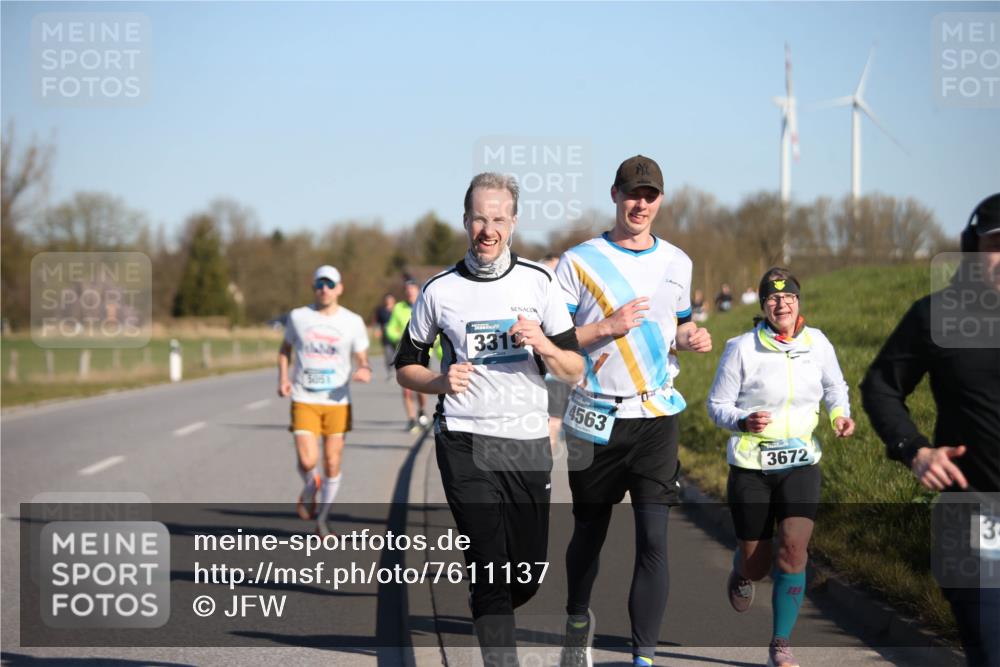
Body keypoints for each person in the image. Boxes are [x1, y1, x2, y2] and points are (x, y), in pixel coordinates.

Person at [395, 172, 583, 667]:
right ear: (465, 220)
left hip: (523, 442)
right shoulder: (439, 290)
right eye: (479, 217)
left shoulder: (539, 284)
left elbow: (575, 368)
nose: (488, 229)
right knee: (488, 560)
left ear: (514, 223)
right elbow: (405, 367)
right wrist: (438, 382)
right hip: (463, 439)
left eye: (498, 218)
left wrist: (542, 343)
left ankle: (489, 601)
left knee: (528, 572)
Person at [555, 155, 712, 667]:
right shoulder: (578, 261)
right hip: (594, 417)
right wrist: (606, 327)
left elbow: (679, 325)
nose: (639, 204)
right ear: (615, 195)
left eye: (649, 195)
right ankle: (578, 618)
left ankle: (642, 658)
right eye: (631, 194)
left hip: (655, 417)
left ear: (660, 201)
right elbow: (554, 343)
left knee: (653, 540)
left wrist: (693, 337)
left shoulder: (678, 262)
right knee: (589, 535)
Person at [861, 193, 1000, 667]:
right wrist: (915, 450)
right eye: (997, 243)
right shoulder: (937, 315)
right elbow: (880, 385)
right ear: (972, 247)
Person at [707, 267, 854, 667]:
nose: (781, 303)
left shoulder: (817, 343)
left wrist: (840, 413)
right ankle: (742, 570)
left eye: (788, 297)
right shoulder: (741, 347)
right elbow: (716, 405)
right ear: (763, 306)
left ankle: (781, 642)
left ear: (798, 301)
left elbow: (834, 386)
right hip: (752, 464)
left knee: (793, 549)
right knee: (757, 564)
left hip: (801, 461)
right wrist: (741, 420)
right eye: (772, 299)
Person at [278, 265, 372, 535]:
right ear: (313, 287)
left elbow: (362, 357)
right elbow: (284, 350)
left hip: (338, 400)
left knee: (332, 460)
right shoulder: (298, 317)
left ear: (340, 288)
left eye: (330, 284)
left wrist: (364, 368)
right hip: (304, 396)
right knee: (308, 461)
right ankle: (311, 484)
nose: (325, 289)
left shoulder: (352, 321)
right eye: (320, 284)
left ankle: (323, 518)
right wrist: (283, 378)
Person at [385, 277, 429, 431]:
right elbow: (390, 329)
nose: (410, 293)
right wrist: (399, 336)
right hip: (404, 353)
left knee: (421, 388)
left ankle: (422, 412)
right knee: (406, 388)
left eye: (412, 290)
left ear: (418, 291)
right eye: (407, 291)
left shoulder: (425, 306)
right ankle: (411, 419)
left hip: (422, 353)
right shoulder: (399, 308)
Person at [542, 252, 573, 453]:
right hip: (547, 372)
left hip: (574, 371)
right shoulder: (537, 296)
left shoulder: (573, 298)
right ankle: (543, 476)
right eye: (552, 271)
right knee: (552, 422)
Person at [372, 292, 396, 380]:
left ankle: (400, 370)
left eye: (390, 299)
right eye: (387, 300)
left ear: (394, 300)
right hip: (386, 337)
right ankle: (390, 372)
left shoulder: (398, 309)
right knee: (388, 354)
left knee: (398, 354)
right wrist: (377, 330)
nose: (389, 301)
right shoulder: (381, 310)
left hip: (398, 337)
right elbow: (377, 321)